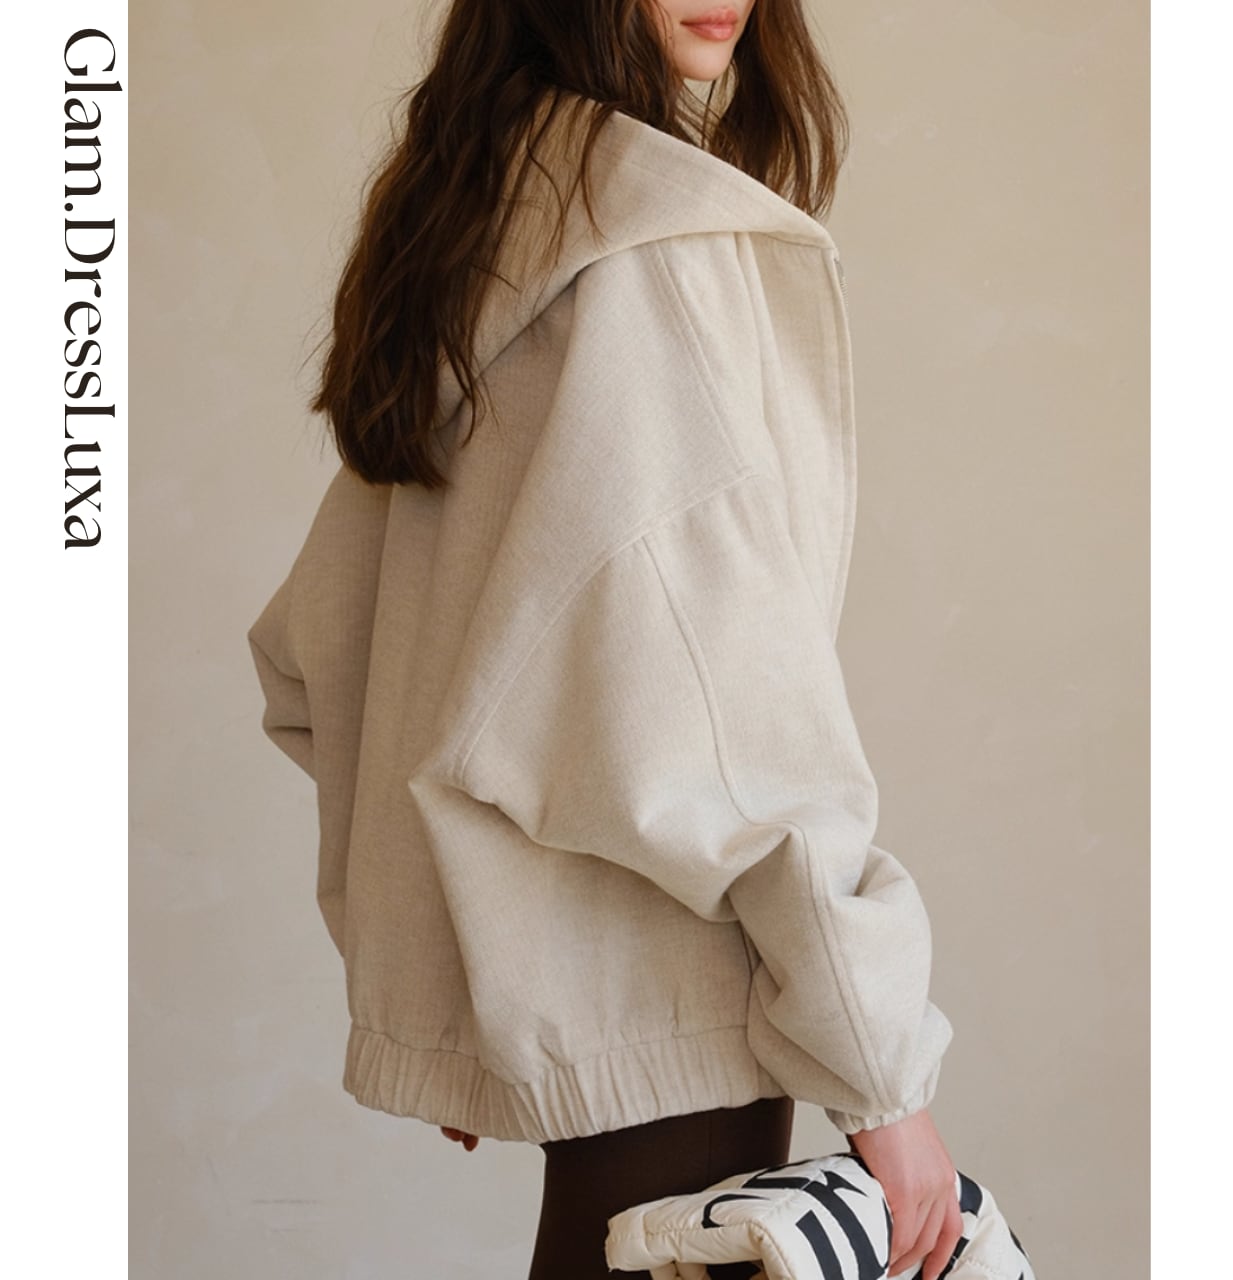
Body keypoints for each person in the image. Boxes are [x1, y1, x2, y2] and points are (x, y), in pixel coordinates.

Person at [247, 2, 964, 1278]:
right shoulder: (651, 249)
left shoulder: (470, 226)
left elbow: (328, 648)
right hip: (677, 979)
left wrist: (458, 989)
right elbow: (731, 711)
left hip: (588, 998)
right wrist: (880, 1072)